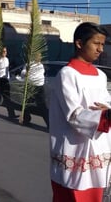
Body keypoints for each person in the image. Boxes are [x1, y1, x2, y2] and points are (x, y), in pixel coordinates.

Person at [50, 22, 111, 202]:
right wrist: (105, 116)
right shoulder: (67, 74)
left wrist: (107, 112)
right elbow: (74, 114)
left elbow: (106, 104)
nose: (100, 49)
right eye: (96, 43)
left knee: (95, 196)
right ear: (79, 43)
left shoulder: (101, 76)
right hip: (74, 148)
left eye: (103, 44)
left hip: (99, 148)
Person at [20, 53, 49, 128]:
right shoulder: (29, 64)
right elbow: (23, 73)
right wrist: (26, 73)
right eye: (38, 56)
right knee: (27, 104)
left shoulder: (41, 65)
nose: (39, 57)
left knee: (43, 106)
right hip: (31, 86)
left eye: (40, 56)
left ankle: (49, 124)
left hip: (39, 87)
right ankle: (26, 120)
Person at [0, 47, 17, 118]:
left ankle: (11, 114)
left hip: (5, 80)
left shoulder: (7, 59)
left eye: (5, 51)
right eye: (3, 51)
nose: (4, 53)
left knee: (8, 97)